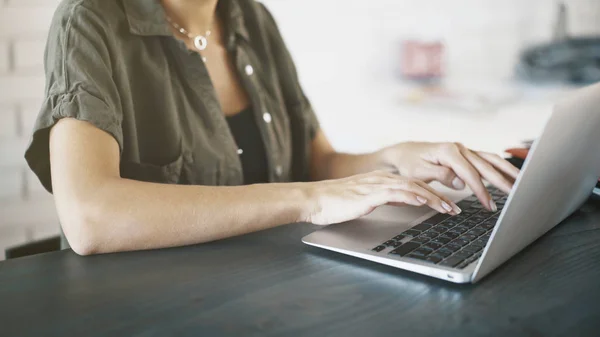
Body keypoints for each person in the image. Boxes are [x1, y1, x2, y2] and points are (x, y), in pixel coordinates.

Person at [24, 0, 519, 256]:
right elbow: (90, 219)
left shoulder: (251, 18)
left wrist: (398, 157)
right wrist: (309, 199)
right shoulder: (88, 21)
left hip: (261, 286)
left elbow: (317, 162)